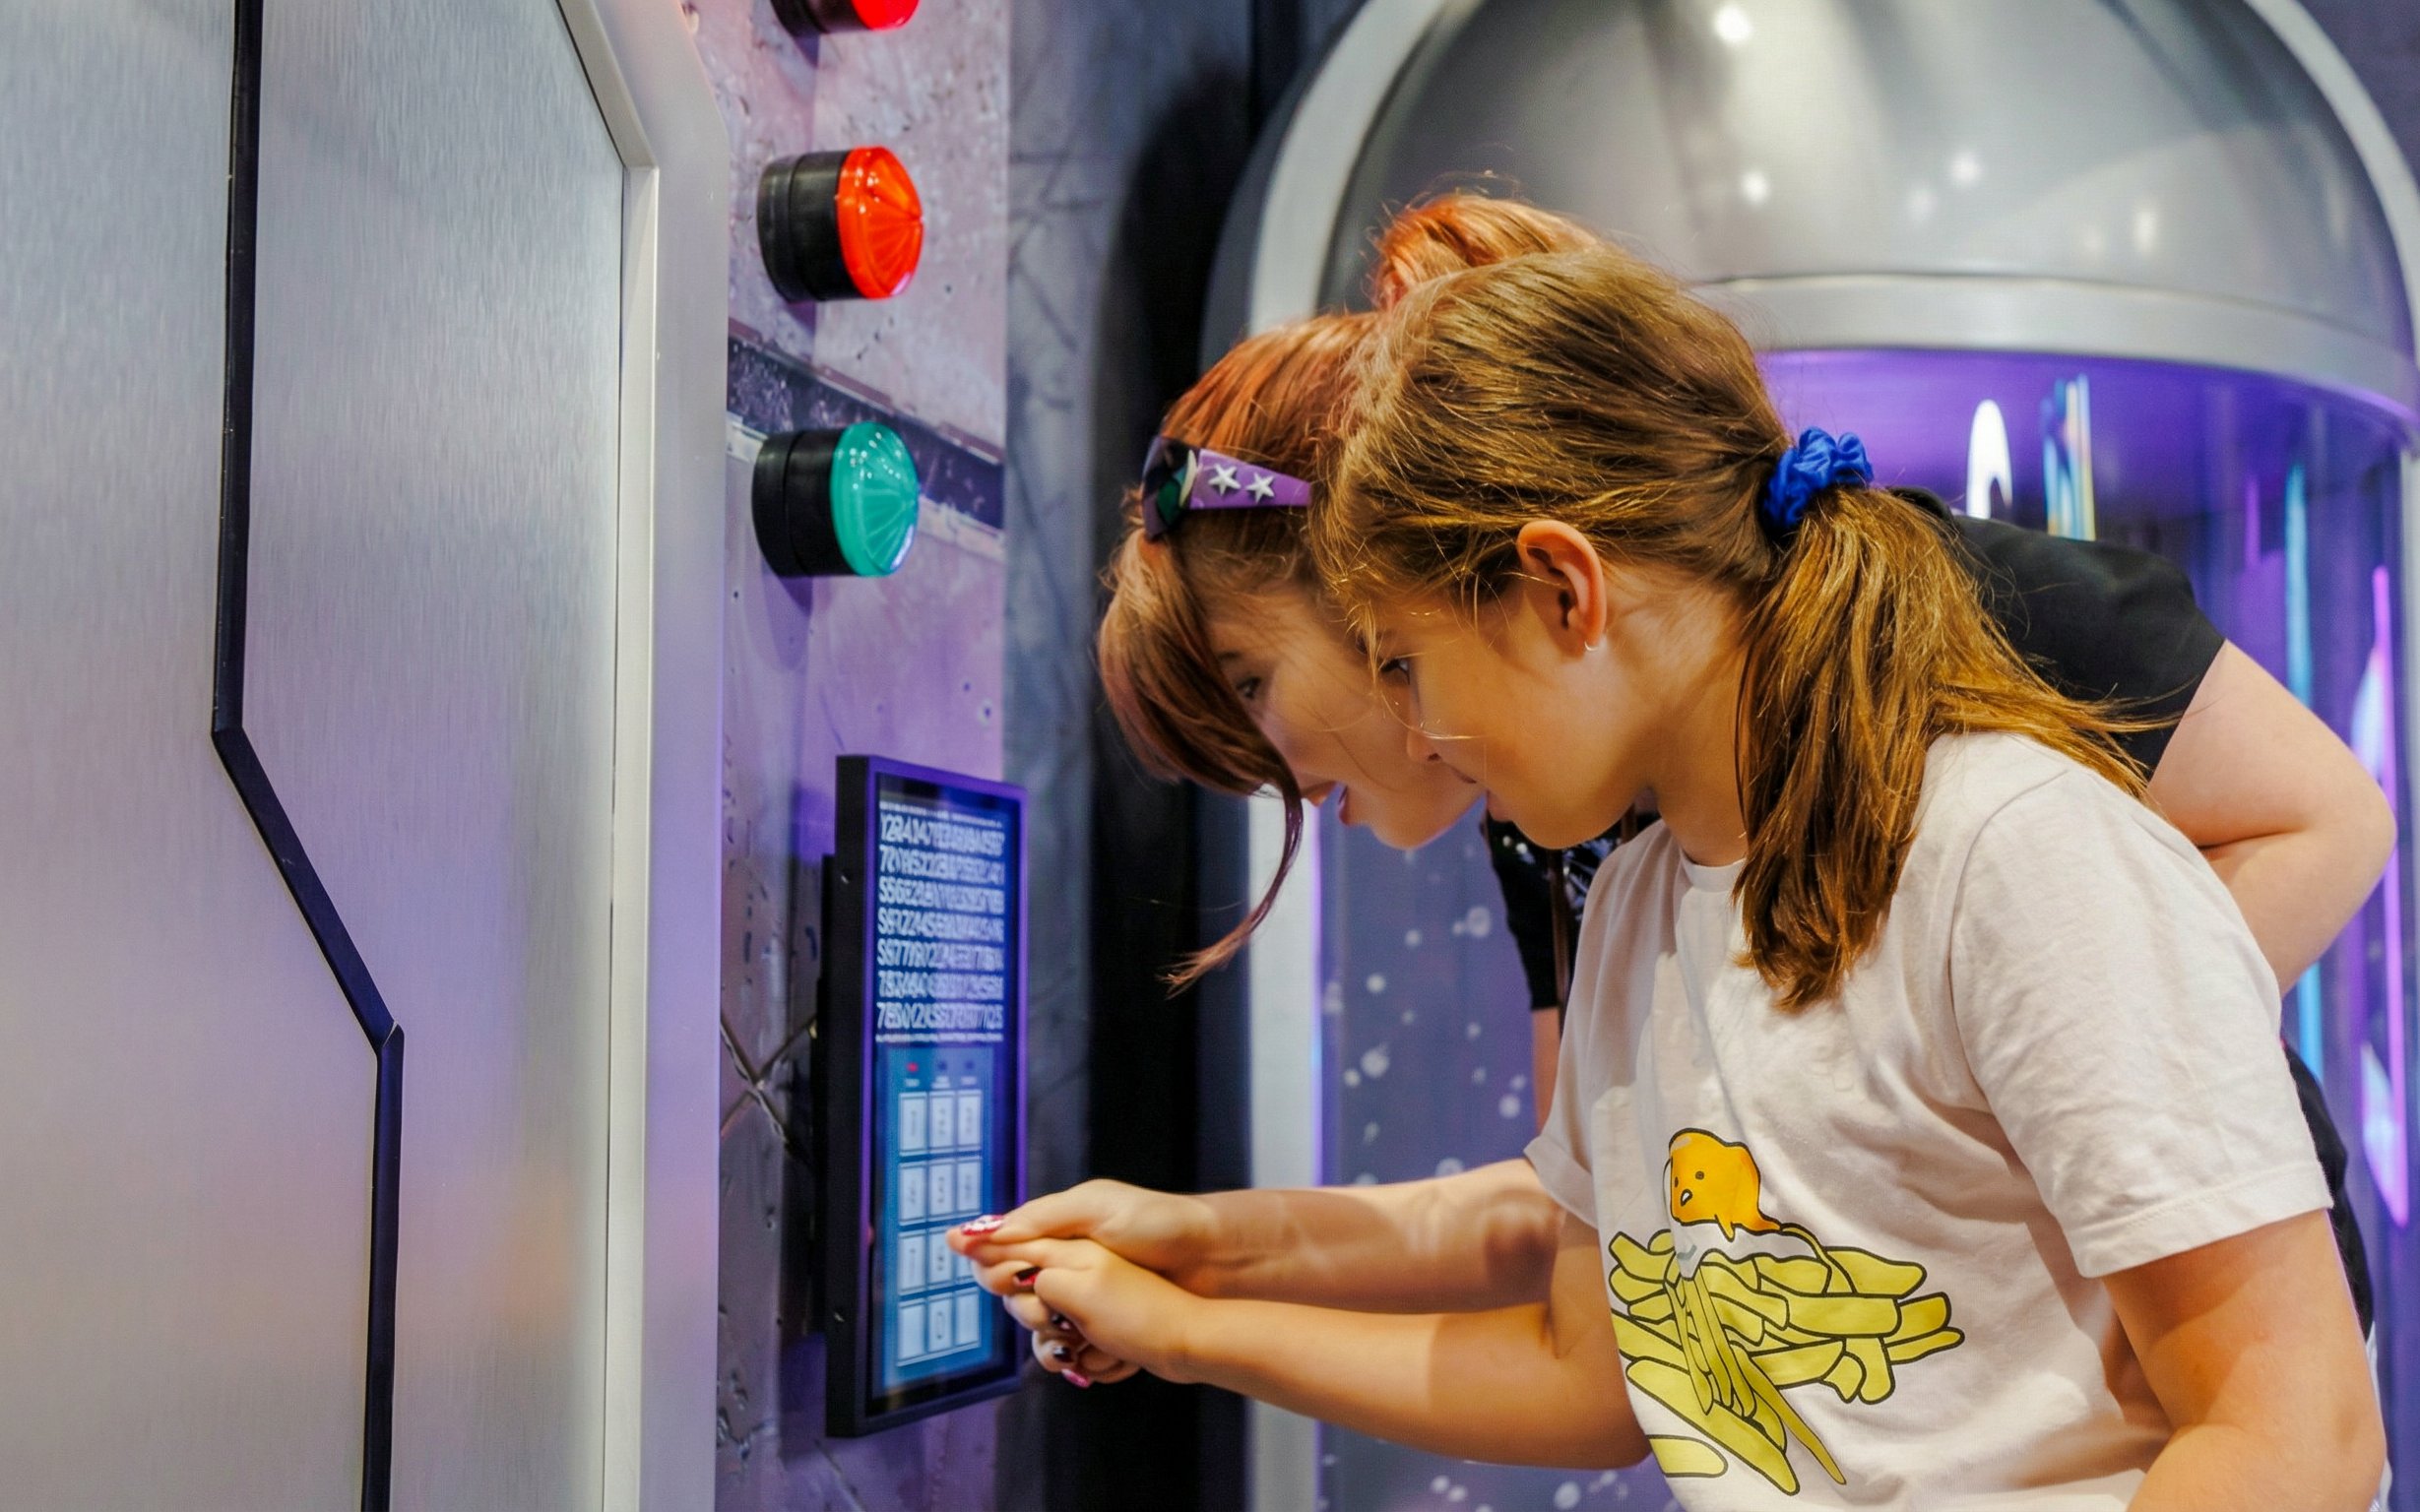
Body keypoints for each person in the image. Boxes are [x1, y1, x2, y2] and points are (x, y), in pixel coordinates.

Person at [961, 224, 2387, 1505]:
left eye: (1400, 662)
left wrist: (2063, 1069)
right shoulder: (1626, 888)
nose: (1406, 729)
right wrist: (1200, 1288)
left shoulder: (2013, 837)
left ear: (1558, 585)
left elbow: (2292, 1432)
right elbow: (1596, 1326)